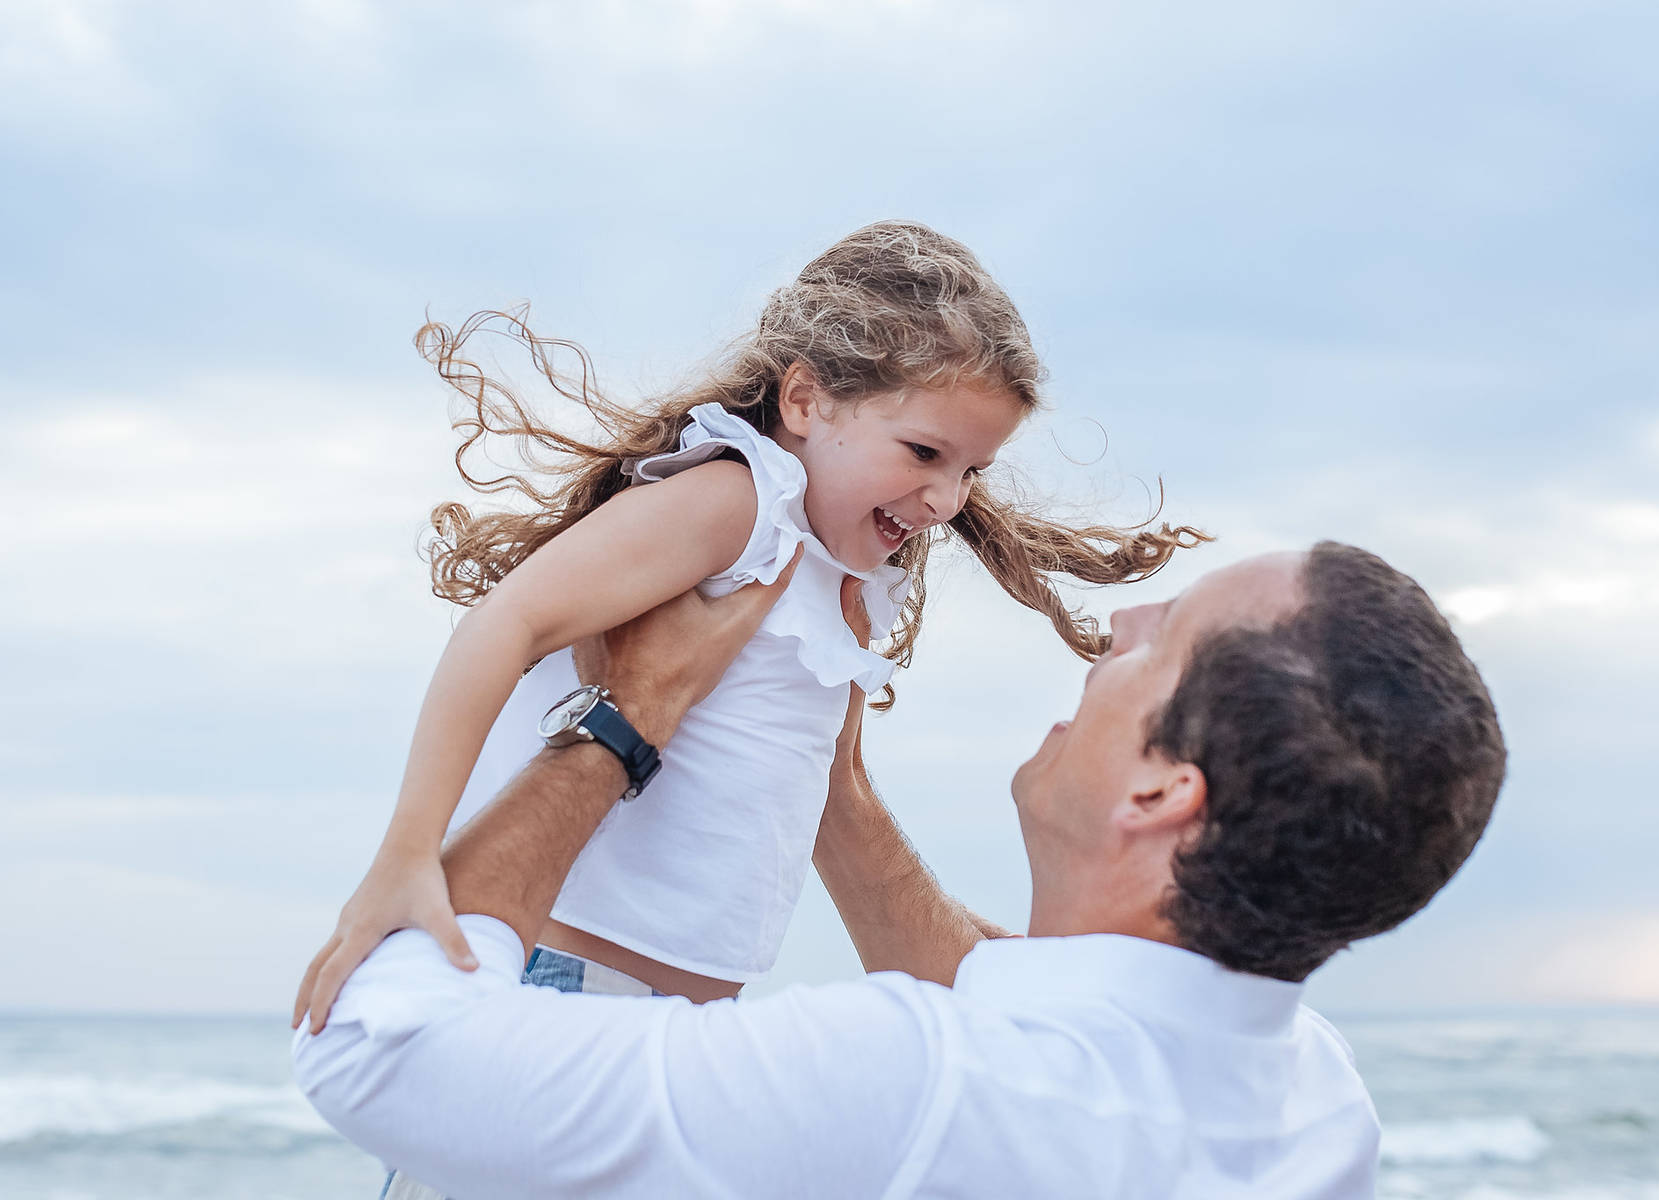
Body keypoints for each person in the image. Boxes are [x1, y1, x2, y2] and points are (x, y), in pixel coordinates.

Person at [292, 539, 1507, 1199]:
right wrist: (833, 790)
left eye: (1164, 639)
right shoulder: (1309, 1100)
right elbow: (1045, 1019)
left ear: (1161, 792)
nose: (1116, 627)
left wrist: (633, 714)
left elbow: (375, 1048)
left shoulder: (907, 1085)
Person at [293, 220, 1207, 1045]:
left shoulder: (846, 570)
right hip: (562, 987)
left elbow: (801, 791)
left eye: (973, 469)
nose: (946, 499)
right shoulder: (740, 501)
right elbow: (504, 623)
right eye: (924, 453)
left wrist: (983, 965)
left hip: (685, 1022)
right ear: (806, 402)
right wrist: (404, 856)